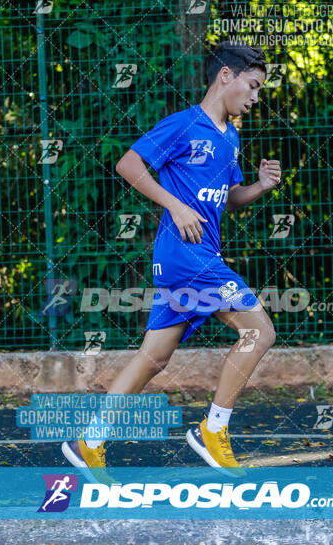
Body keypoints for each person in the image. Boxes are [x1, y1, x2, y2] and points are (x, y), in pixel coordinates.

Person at [62, 40, 281, 479]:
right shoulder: (184, 126)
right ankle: (211, 430)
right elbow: (129, 164)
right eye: (253, 86)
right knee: (260, 331)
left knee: (153, 358)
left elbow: (226, 200)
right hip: (186, 254)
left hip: (193, 255)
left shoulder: (231, 136)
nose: (256, 97)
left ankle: (90, 441)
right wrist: (175, 207)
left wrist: (257, 188)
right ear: (226, 76)